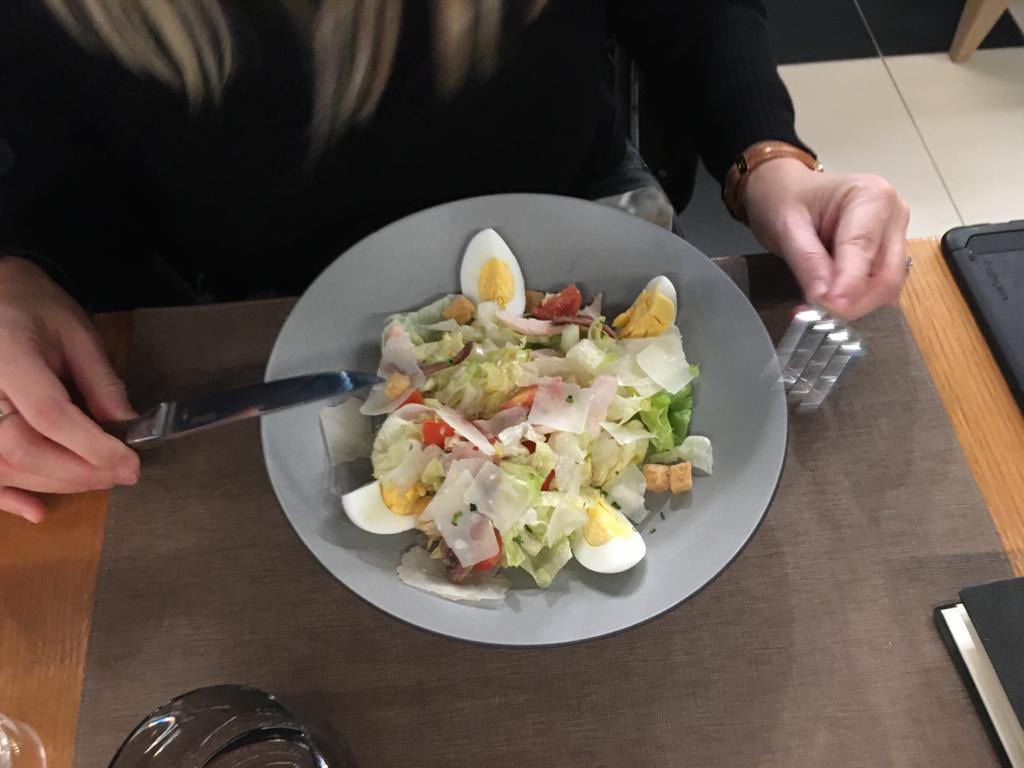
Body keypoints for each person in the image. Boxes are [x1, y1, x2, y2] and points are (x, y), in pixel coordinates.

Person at [0, 0, 910, 522]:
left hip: (584, 221)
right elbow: (41, 142)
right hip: (244, 316)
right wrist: (17, 265)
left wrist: (767, 158)